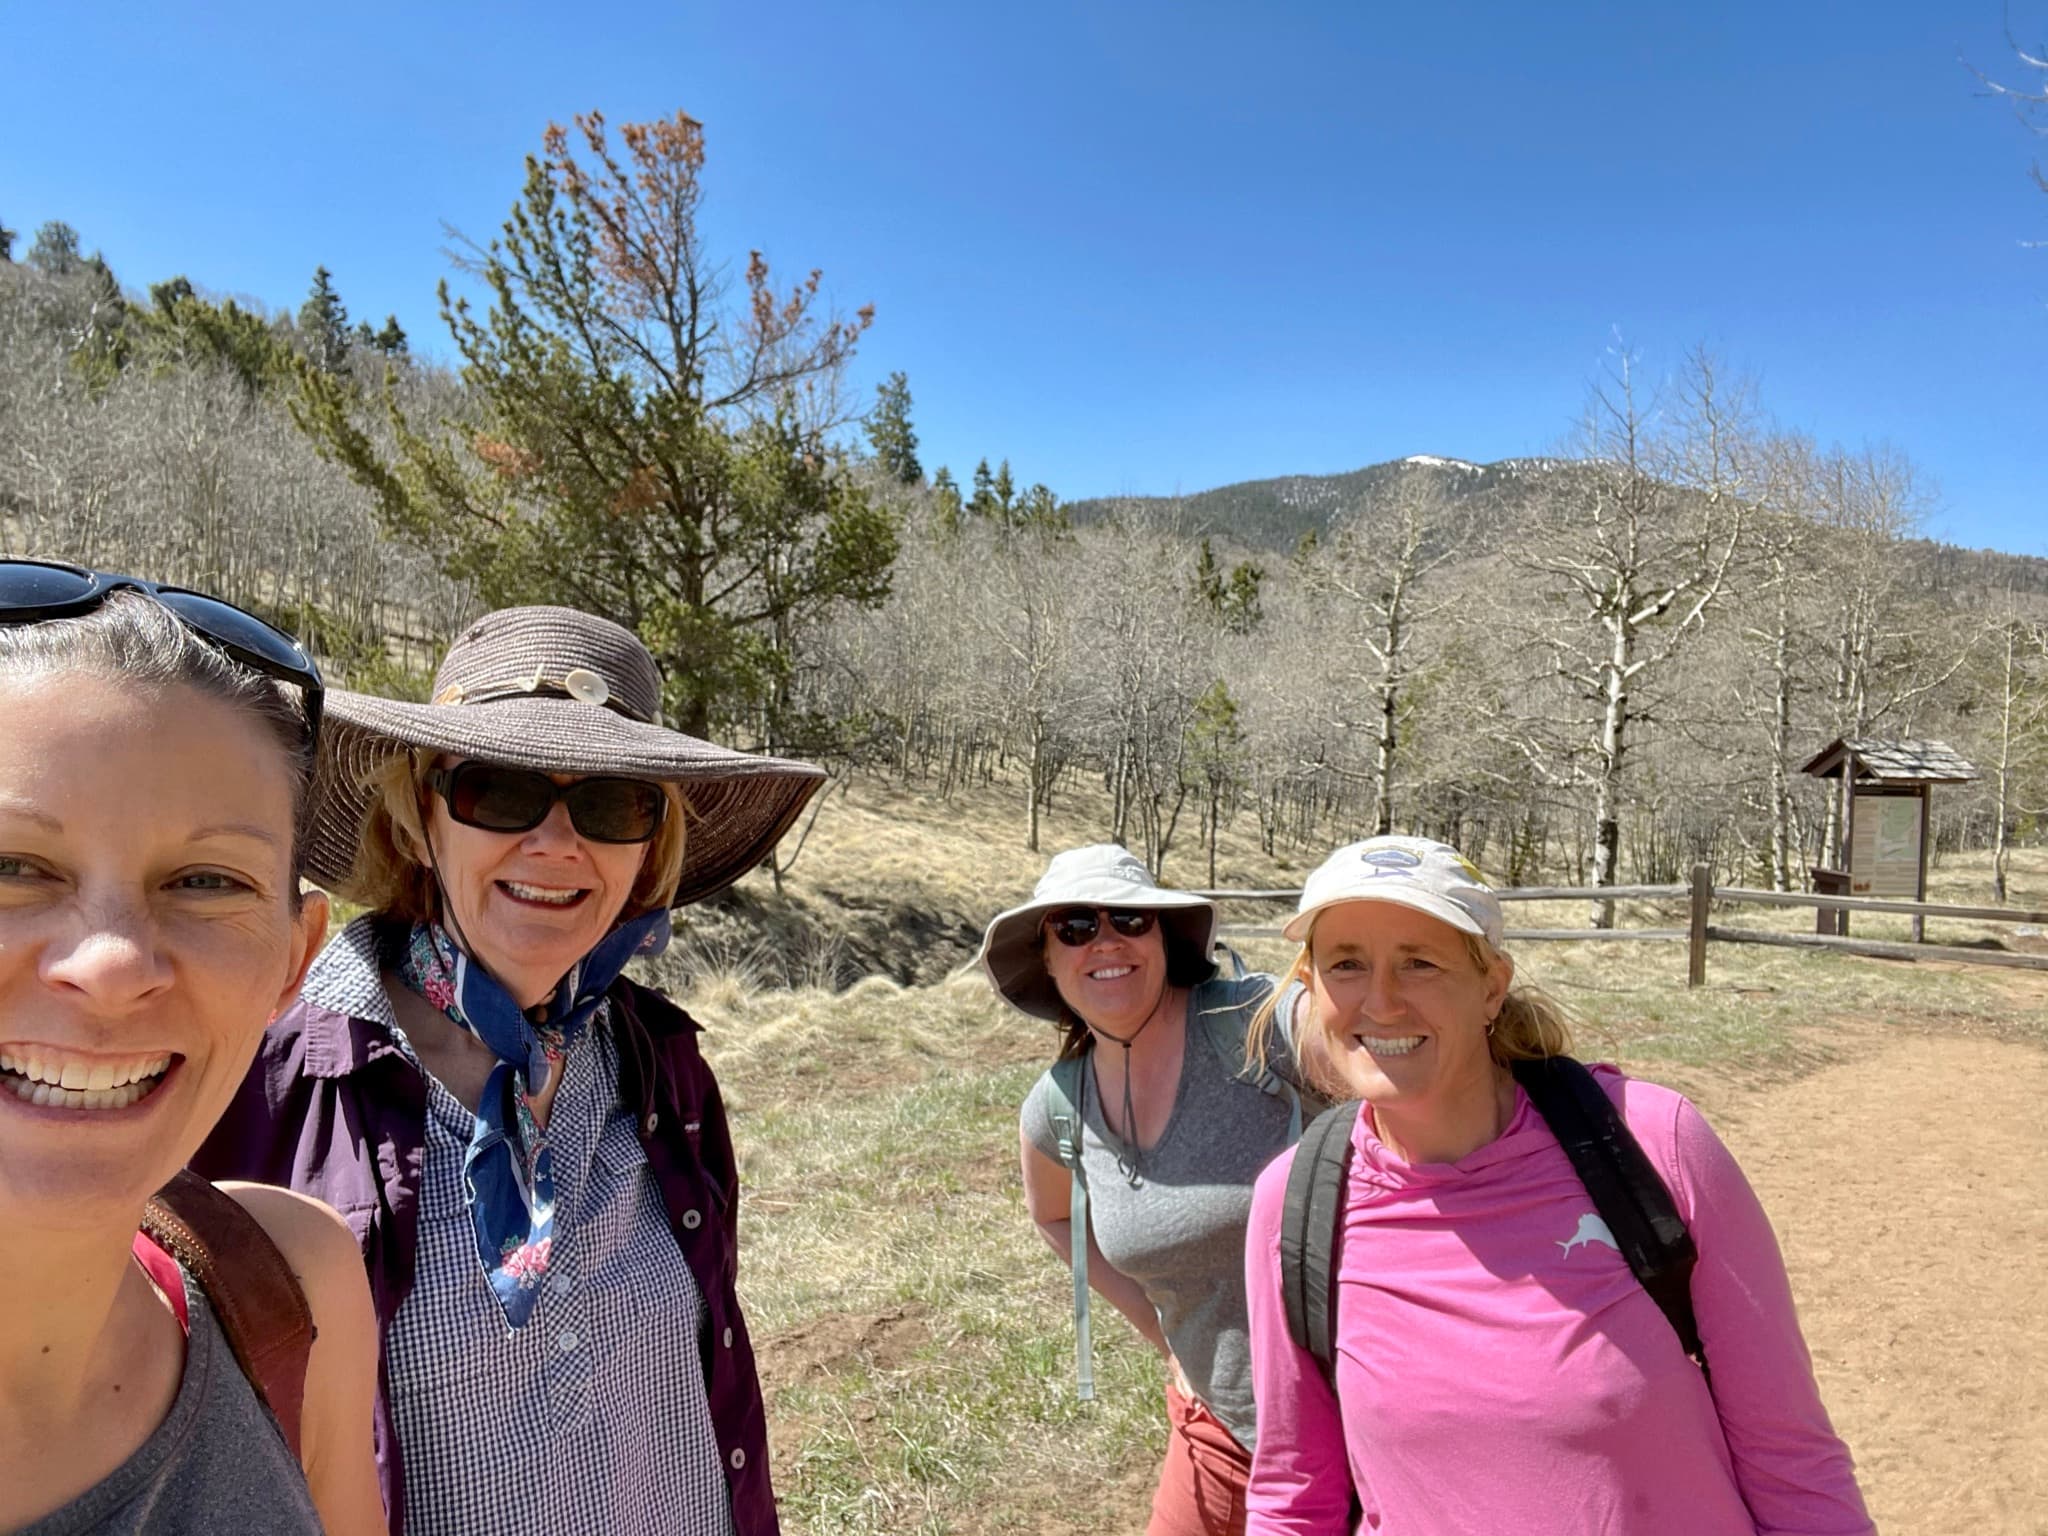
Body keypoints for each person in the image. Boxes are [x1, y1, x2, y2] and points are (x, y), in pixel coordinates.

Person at [194, 605, 825, 1536]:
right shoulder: (268, 1086)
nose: (558, 843)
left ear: (650, 845)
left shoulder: (663, 1067)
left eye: (612, 803)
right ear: (419, 818)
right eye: (498, 790)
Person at [1241, 835, 1874, 1535]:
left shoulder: (1652, 1143)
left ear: (1491, 985)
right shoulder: (1297, 1205)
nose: (1381, 1001)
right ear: (1312, 986)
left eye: (1419, 963)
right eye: (1347, 964)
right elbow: (1294, 1496)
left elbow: (1795, 1466)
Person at [0, 564, 383, 1535]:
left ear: (293, 959)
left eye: (207, 881)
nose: (113, 964)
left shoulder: (289, 1288)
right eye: (12, 867)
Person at [983, 843, 1323, 1536]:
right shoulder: (1060, 1105)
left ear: (1164, 936)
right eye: (1075, 927)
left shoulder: (1254, 1023)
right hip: (1217, 1431)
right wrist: (1165, 1338)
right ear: (1047, 958)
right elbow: (1053, 1215)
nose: (1106, 941)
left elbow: (1369, 1050)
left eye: (1130, 919)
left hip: (1350, 1423)